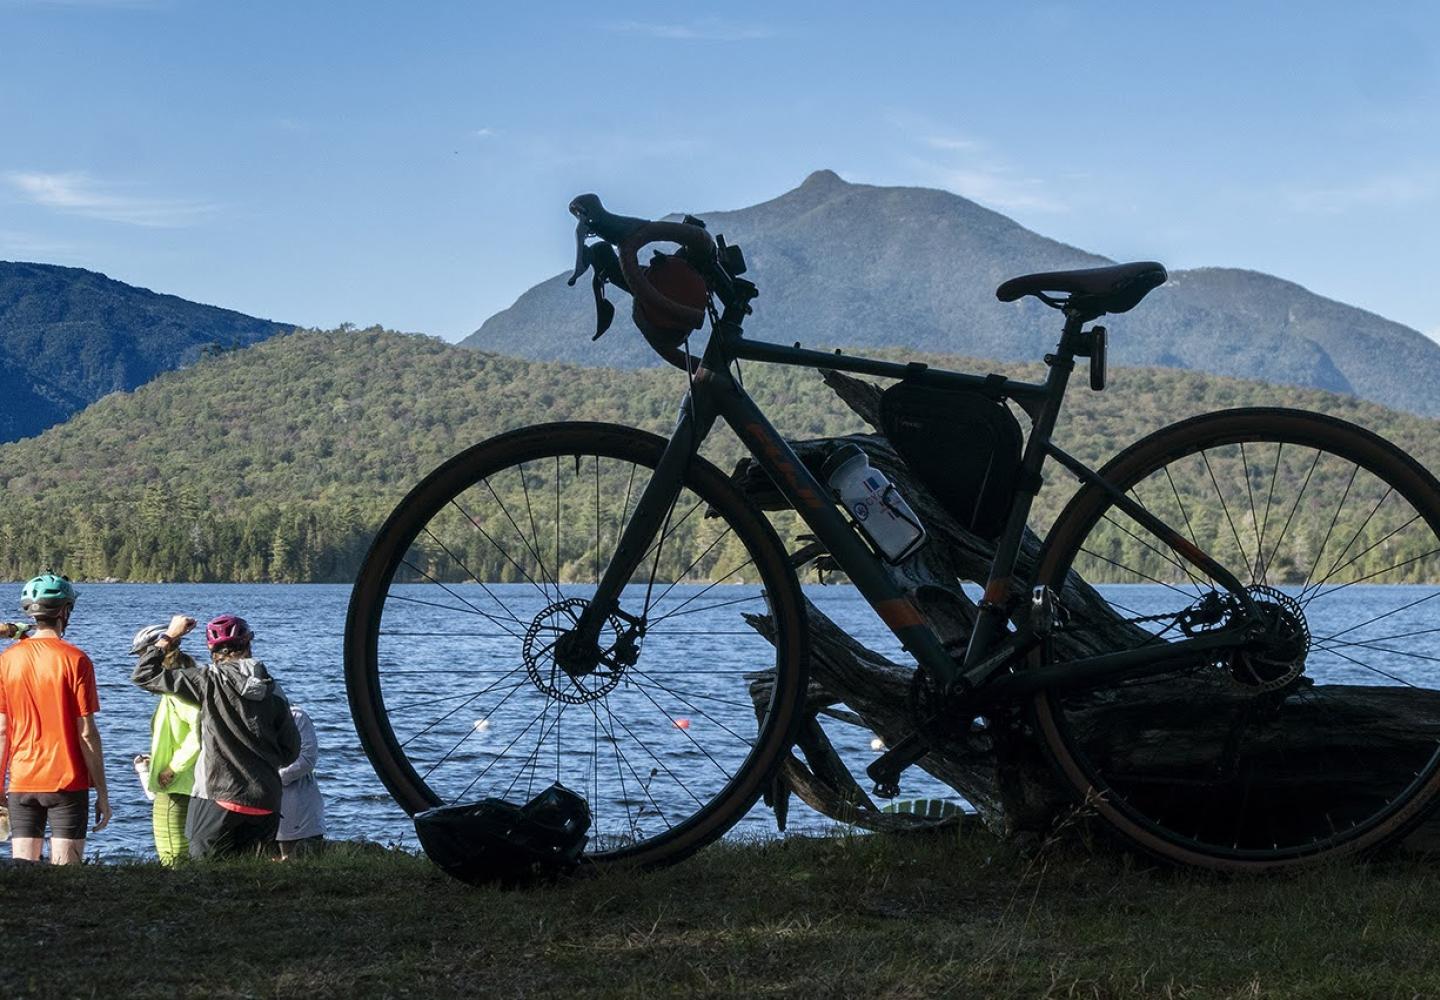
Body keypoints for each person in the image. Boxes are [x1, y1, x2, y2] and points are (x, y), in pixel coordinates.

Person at [131, 613, 299, 859]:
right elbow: (290, 752)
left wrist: (170, 636)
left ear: (212, 650)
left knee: (204, 878)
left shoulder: (208, 680)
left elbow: (144, 675)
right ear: (249, 642)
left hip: (217, 798)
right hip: (265, 801)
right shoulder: (273, 689)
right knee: (252, 879)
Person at [0, 574, 110, 864]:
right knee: (67, 875)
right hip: (67, 781)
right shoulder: (76, 659)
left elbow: (2, 731)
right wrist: (102, 792)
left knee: (24, 871)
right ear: (64, 612)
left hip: (22, 781)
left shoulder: (7, 660)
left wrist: (0, 784)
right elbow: (86, 732)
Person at [131, 624, 202, 863]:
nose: (142, 662)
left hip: (178, 786)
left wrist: (174, 766)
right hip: (191, 782)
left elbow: (198, 730)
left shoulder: (177, 692)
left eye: (144, 656)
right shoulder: (186, 682)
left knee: (171, 853)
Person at [276, 704, 326, 859]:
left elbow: (307, 759)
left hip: (298, 812)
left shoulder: (297, 717)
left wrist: (273, 778)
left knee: (302, 864)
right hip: (258, 813)